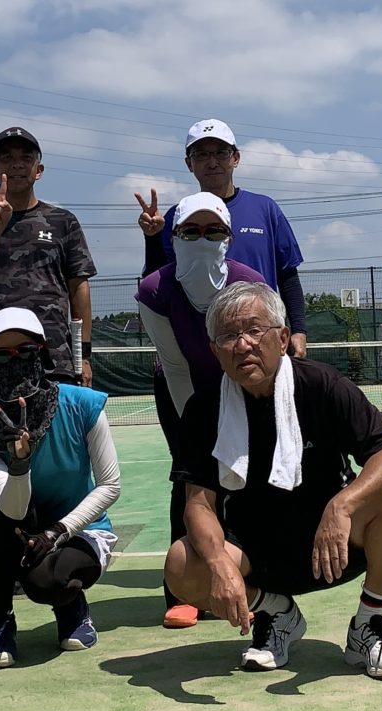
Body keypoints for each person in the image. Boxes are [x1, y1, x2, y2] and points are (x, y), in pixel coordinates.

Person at [164, 282, 382, 680]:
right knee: (181, 564)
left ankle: (368, 625)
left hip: (332, 545)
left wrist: (342, 505)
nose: (243, 345)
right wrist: (218, 564)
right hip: (253, 554)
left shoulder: (321, 385)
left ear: (283, 338)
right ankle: (275, 613)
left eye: (254, 330)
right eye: (229, 336)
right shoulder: (204, 408)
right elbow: (198, 504)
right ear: (215, 351)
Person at [0, 128, 97, 593]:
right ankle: (1, 565)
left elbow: (78, 286)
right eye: (6, 157)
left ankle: (53, 552)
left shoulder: (63, 221)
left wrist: (83, 354)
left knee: (59, 462)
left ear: (39, 168)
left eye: (25, 157)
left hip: (52, 362)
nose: (15, 164)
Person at [0, 308, 119, 669]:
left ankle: (71, 605)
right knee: (2, 518)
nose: (15, 362)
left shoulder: (83, 405)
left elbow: (110, 486)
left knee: (48, 583)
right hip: (22, 524)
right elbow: (14, 509)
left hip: (82, 530)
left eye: (26, 351)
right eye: (2, 355)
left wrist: (58, 531)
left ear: (42, 354)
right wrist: (19, 464)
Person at [135, 192, 265, 630]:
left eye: (214, 231)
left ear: (229, 238)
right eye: (190, 231)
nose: (202, 238)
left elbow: (261, 356)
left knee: (245, 477)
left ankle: (250, 577)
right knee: (190, 478)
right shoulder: (154, 291)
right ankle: (184, 591)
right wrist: (200, 428)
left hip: (244, 384)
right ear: (174, 238)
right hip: (183, 388)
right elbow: (175, 365)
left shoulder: (250, 285)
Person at [135, 118, 308, 356]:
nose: (212, 162)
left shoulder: (265, 209)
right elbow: (158, 283)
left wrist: (299, 329)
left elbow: (287, 274)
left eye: (221, 153)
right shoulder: (177, 217)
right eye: (201, 155)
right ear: (189, 163)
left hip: (258, 339)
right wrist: (153, 238)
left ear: (235, 158)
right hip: (199, 344)